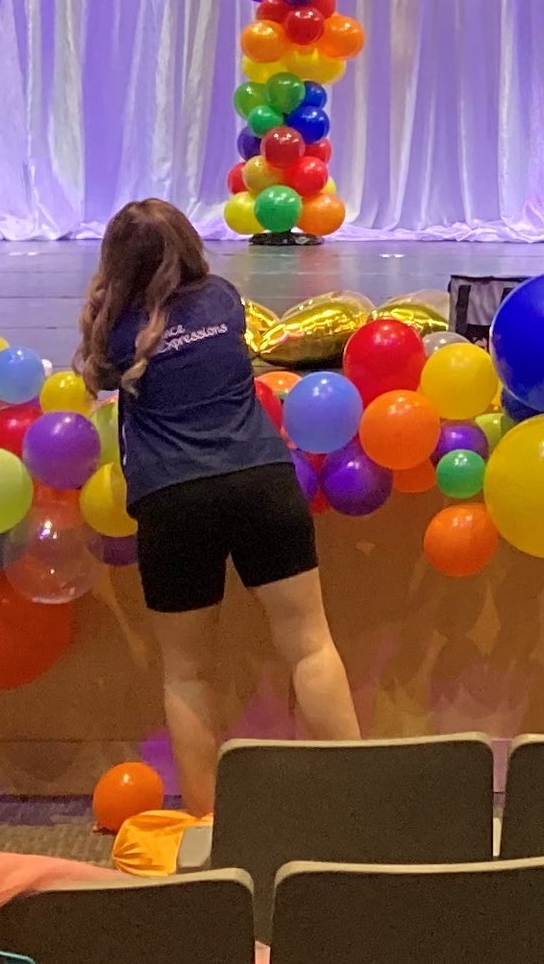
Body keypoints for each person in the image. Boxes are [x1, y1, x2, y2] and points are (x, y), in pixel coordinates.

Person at [73, 196, 358, 814]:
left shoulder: (112, 328)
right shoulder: (222, 298)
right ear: (189, 248)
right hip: (261, 480)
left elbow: (96, 374)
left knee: (187, 674)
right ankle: (357, 803)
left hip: (174, 500)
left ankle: (207, 822)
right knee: (311, 646)